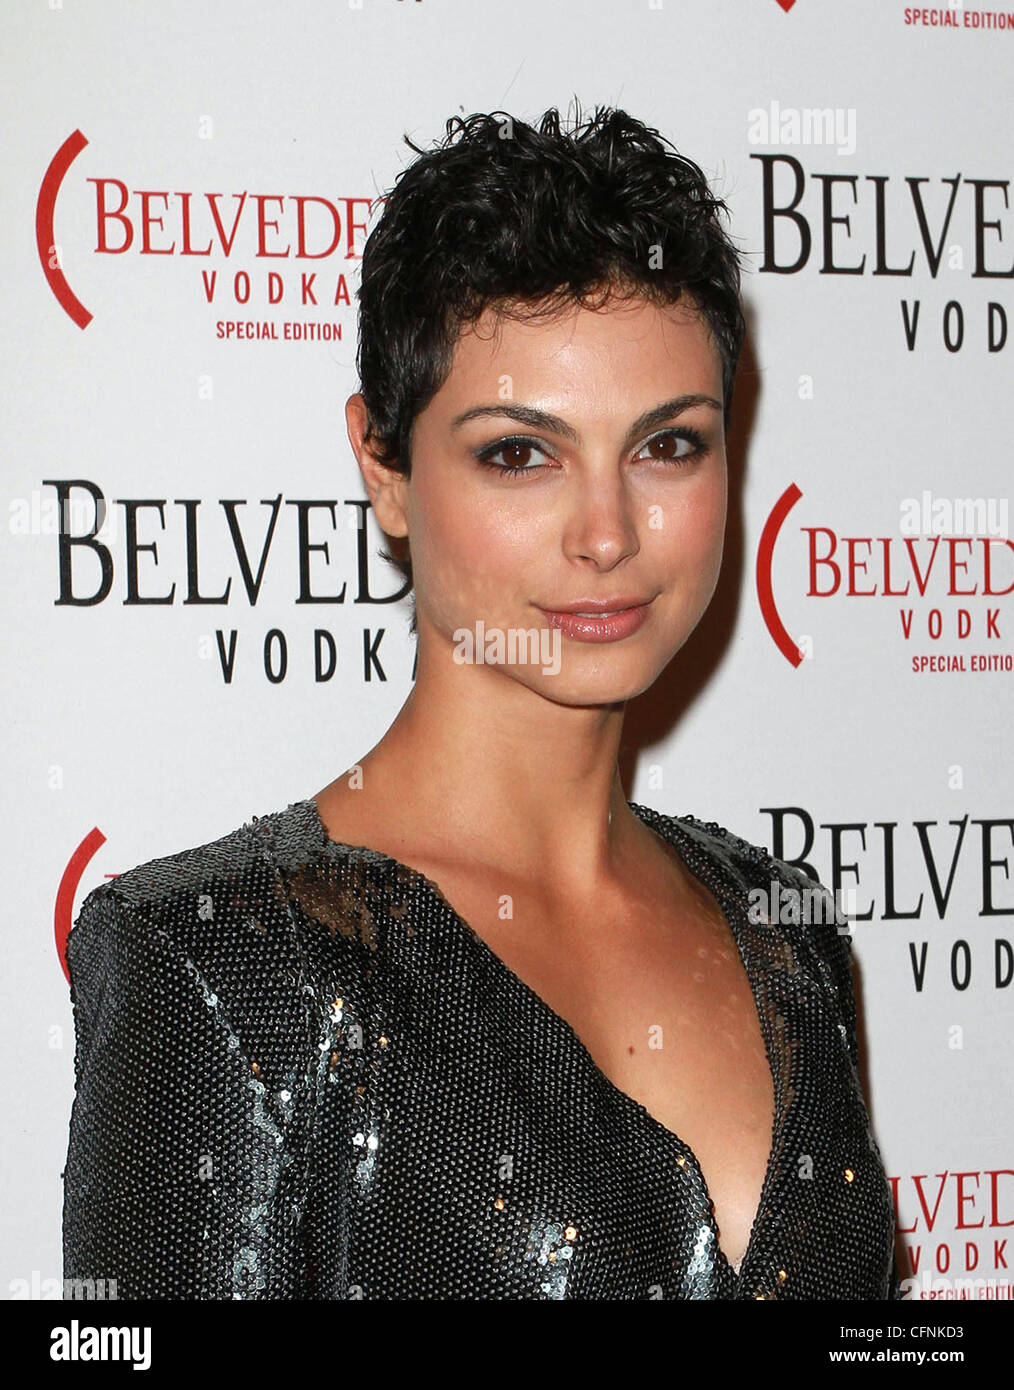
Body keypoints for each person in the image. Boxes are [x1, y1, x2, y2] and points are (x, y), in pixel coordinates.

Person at [62, 103, 902, 1300]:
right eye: (521, 453)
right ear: (386, 471)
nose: (608, 534)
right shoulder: (220, 966)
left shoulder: (788, 932)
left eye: (668, 445)